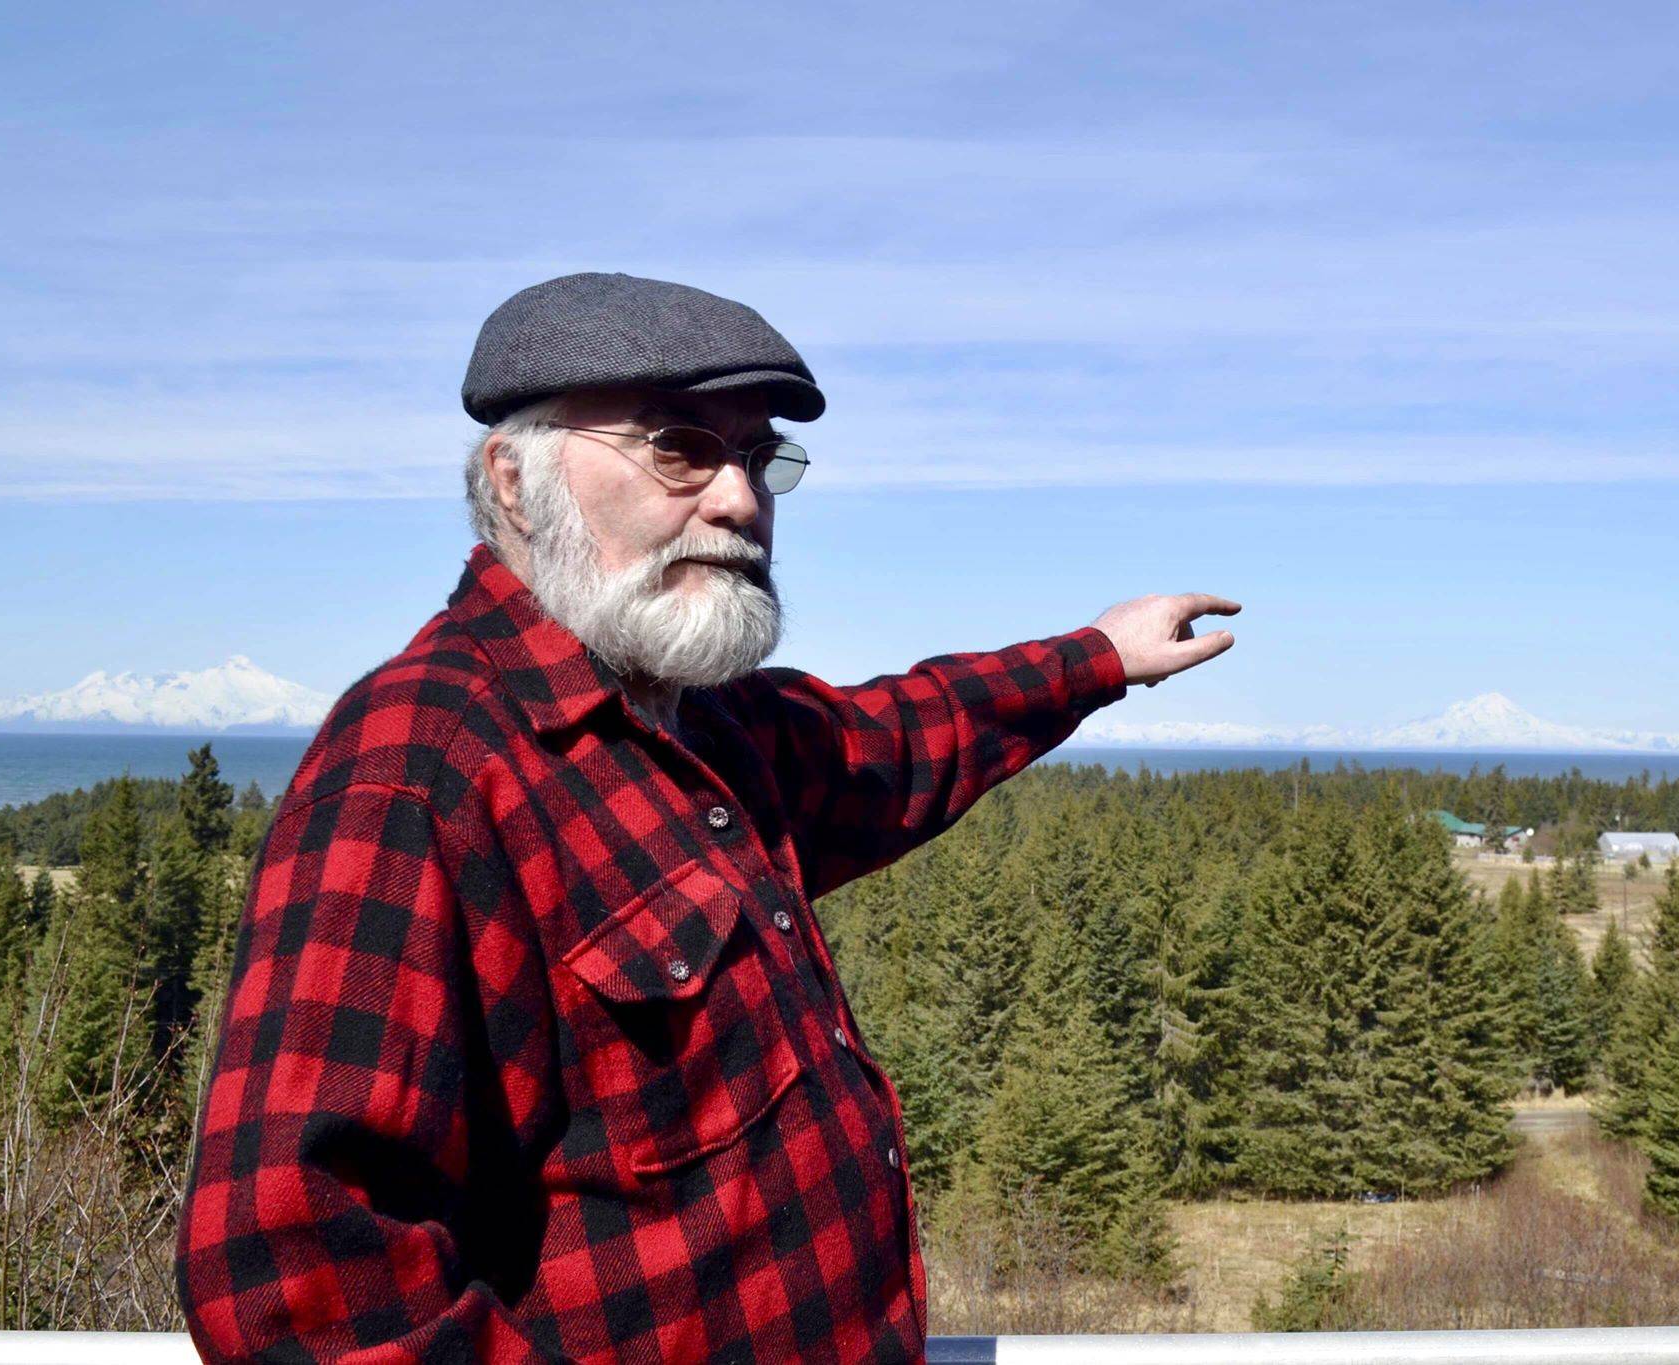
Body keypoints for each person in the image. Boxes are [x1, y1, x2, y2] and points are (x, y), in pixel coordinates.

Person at [173, 272, 1241, 1363]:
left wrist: (1098, 657)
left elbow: (902, 734)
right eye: (680, 447)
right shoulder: (422, 767)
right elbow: (294, 1272)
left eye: (758, 454)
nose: (738, 499)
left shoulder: (703, 725)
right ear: (512, 478)